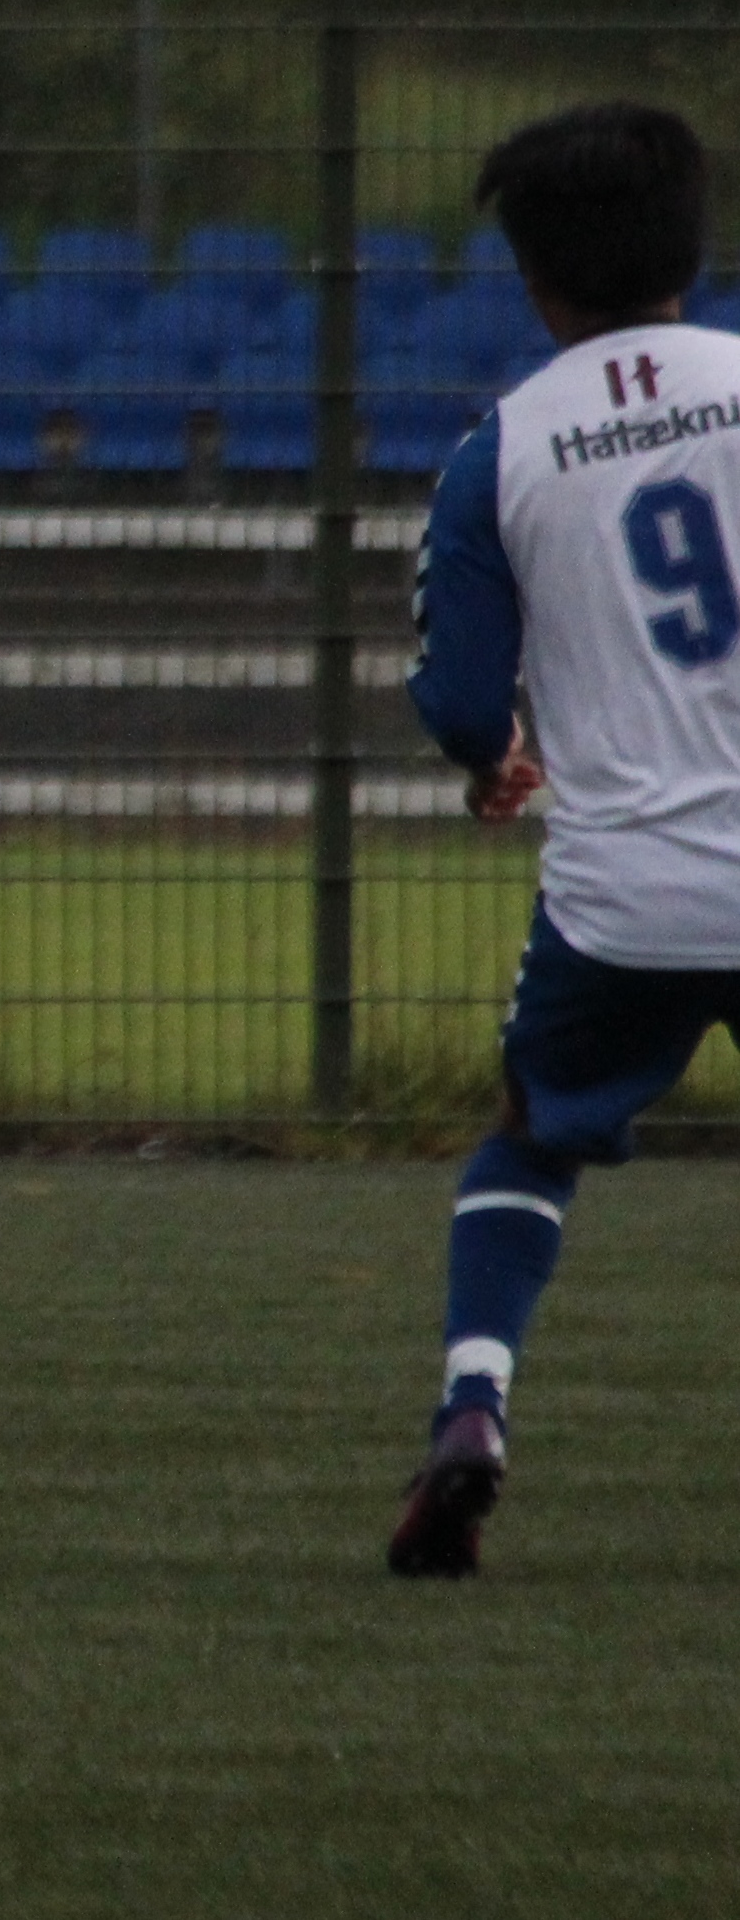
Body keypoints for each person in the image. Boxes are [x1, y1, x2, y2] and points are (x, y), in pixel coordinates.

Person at [391, 100, 733, 1575]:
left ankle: (474, 1405)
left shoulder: (502, 452)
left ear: (535, 284)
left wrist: (491, 759)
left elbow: (464, 694)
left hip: (624, 902)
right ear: (694, 252)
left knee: (533, 1141)